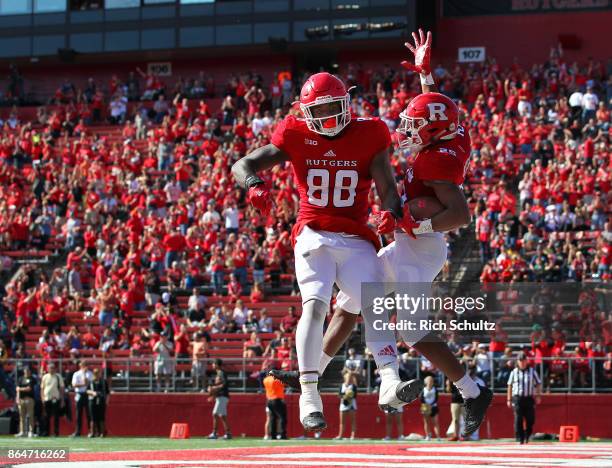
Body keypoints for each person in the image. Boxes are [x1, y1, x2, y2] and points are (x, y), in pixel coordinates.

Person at [270, 29, 492, 438]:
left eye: (414, 125)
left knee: (410, 329)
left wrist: (411, 220)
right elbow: (437, 111)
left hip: (420, 248)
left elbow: (458, 214)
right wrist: (427, 79)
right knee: (348, 305)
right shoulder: (448, 132)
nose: (407, 128)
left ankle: (472, 390)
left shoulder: (436, 165)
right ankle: (309, 374)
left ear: (433, 132)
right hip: (408, 243)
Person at [233, 70, 419, 431]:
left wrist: (391, 213)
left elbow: (389, 190)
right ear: (305, 112)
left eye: (335, 105)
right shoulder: (294, 131)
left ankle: (390, 381)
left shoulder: (370, 133)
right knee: (315, 305)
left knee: (375, 301)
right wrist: (255, 185)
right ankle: (309, 393)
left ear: (347, 102)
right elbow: (243, 164)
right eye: (320, 110)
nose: (329, 116)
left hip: (356, 237)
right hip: (314, 233)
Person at [507, 351, 542, 444]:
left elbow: (538, 383)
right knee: (518, 418)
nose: (522, 362)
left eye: (523, 360)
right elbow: (509, 385)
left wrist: (538, 395)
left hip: (529, 398)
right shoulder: (514, 372)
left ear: (527, 361)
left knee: (530, 419)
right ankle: (520, 438)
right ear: (517, 362)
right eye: (520, 360)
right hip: (517, 398)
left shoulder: (532, 371)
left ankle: (527, 435)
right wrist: (509, 399)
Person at [207, 359, 231, 439]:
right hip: (221, 397)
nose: (212, 365)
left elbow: (225, 384)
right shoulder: (219, 373)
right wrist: (213, 395)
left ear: (217, 365)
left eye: (214, 364)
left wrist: (214, 388)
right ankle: (228, 433)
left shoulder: (221, 373)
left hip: (223, 396)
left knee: (215, 414)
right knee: (222, 416)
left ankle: (214, 433)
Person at [40, 362, 64, 437]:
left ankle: (56, 432)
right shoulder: (45, 377)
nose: (51, 369)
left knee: (56, 416)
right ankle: (46, 432)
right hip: (47, 398)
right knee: (46, 416)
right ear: (47, 369)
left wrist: (62, 399)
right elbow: (42, 388)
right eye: (50, 368)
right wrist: (42, 398)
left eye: (53, 368)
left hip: (55, 398)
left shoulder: (58, 376)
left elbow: (61, 388)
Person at [71, 360, 93, 437]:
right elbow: (74, 385)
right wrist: (82, 384)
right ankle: (78, 431)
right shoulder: (76, 373)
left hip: (87, 394)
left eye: (86, 364)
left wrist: (84, 374)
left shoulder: (89, 373)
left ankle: (91, 431)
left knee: (89, 414)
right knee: (78, 414)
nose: (85, 366)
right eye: (84, 364)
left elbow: (87, 383)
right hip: (79, 394)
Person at [263, 373, 287, 440]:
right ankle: (283, 434)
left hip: (269, 400)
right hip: (277, 399)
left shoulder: (265, 379)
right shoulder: (277, 380)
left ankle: (273, 435)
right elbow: (284, 384)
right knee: (282, 417)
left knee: (272, 418)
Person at [87, 368, 110, 437]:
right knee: (93, 417)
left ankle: (102, 432)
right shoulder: (91, 382)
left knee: (101, 417)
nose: (96, 375)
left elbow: (107, 392)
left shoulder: (103, 382)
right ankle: (92, 432)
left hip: (101, 400)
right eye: (95, 374)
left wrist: (107, 401)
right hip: (92, 400)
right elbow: (87, 391)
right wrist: (93, 393)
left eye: (98, 373)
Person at [335, 371, 357, 440]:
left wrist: (350, 395)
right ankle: (340, 435)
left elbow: (355, 396)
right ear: (345, 378)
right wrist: (345, 395)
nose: (348, 378)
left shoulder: (353, 386)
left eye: (350, 377)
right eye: (347, 377)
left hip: (352, 405)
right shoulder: (342, 385)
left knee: (353, 421)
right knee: (342, 422)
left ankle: (352, 436)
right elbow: (339, 395)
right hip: (343, 405)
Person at [15, 367, 35, 437]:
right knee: (21, 416)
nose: (26, 372)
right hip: (21, 399)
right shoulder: (20, 379)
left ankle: (31, 431)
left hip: (29, 399)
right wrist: (17, 398)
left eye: (28, 371)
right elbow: (17, 389)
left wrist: (20, 389)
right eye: (25, 371)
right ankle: (22, 431)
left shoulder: (31, 379)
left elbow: (29, 389)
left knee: (30, 416)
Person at [420, 376, 440, 441]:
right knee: (426, 422)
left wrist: (431, 404)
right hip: (425, 407)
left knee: (435, 422)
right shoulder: (423, 389)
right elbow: (421, 398)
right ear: (426, 382)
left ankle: (438, 437)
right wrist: (426, 405)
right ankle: (428, 436)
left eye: (431, 381)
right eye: (428, 381)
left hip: (434, 407)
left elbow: (436, 398)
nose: (430, 382)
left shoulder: (435, 389)